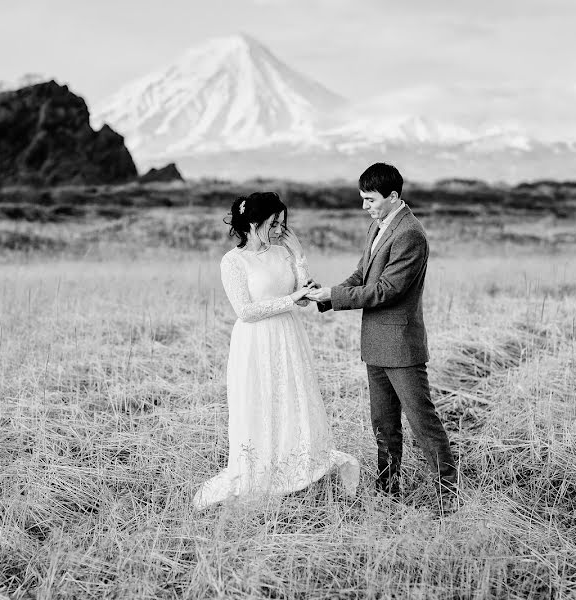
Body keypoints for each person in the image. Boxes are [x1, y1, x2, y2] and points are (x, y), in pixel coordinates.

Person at [306, 163, 459, 514]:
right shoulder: (379, 224)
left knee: (422, 422)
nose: (365, 207)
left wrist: (334, 295)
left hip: (401, 346)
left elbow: (386, 290)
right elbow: (362, 274)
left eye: (369, 200)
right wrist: (326, 294)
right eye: (362, 199)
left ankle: (447, 494)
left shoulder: (410, 234)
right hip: (375, 343)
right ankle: (388, 490)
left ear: (393, 196)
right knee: (383, 425)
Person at [193, 191, 359, 510]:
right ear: (253, 224)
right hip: (255, 340)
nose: (279, 229)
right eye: (273, 223)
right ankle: (262, 468)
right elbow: (245, 310)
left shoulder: (283, 252)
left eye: (283, 222)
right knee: (260, 399)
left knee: (292, 398)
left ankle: (295, 466)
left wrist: (298, 254)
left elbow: (306, 292)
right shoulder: (233, 261)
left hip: (288, 335)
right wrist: (289, 301)